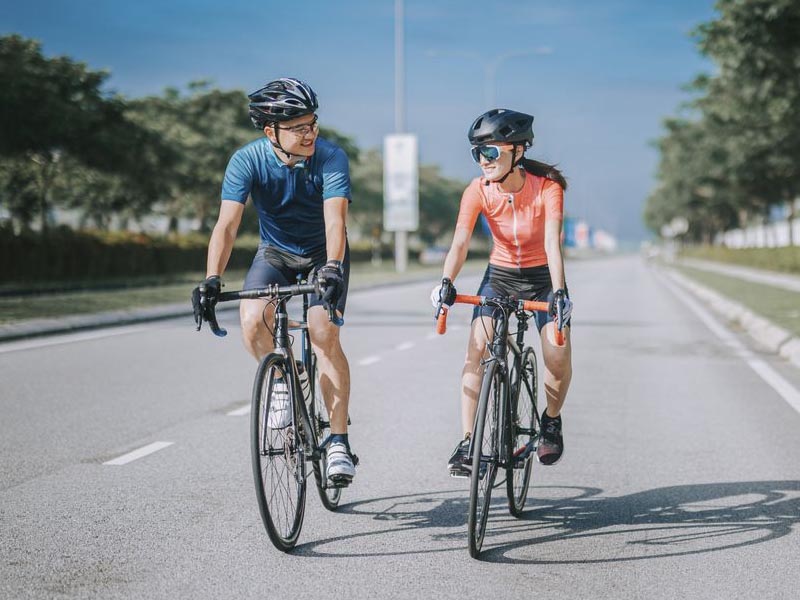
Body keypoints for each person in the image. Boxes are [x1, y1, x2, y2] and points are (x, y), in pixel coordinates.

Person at [194, 77, 356, 483]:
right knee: (252, 322)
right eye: (299, 128)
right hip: (275, 253)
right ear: (271, 132)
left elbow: (335, 220)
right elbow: (227, 225)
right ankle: (286, 378)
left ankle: (338, 442)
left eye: (312, 124)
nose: (310, 134)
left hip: (323, 254)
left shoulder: (331, 157)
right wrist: (212, 278)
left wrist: (332, 267)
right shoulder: (246, 160)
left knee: (323, 333)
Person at [431, 108, 573, 476]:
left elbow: (553, 244)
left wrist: (559, 293)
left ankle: (551, 420)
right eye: (477, 153)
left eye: (490, 151)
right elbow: (460, 242)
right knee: (477, 348)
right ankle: (468, 443)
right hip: (501, 276)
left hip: (542, 278)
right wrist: (446, 282)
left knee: (556, 355)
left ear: (518, 151)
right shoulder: (478, 190)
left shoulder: (548, 188)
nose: (483, 160)